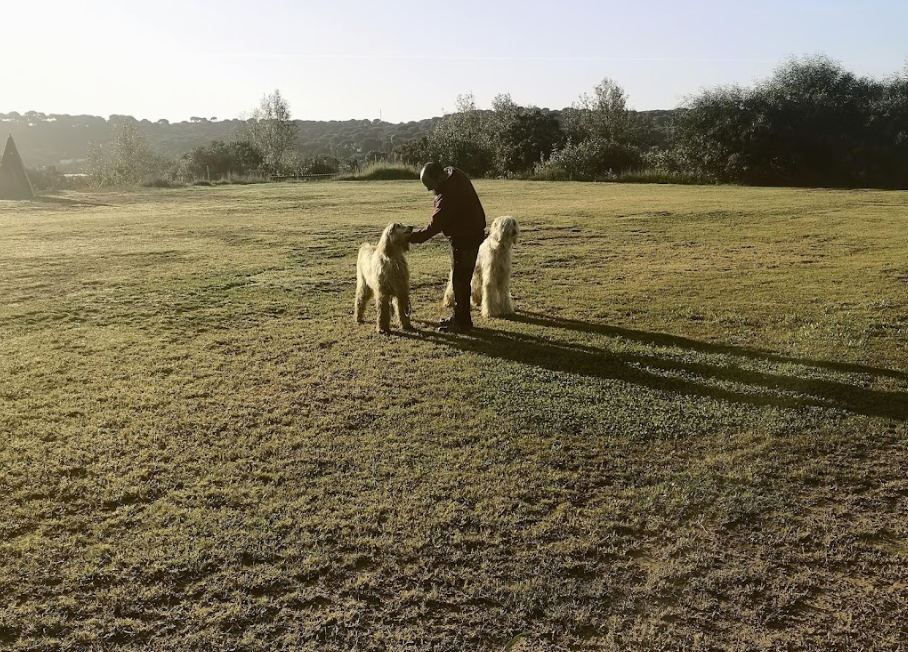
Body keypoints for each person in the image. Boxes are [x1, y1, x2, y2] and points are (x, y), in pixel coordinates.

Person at [409, 162, 486, 333]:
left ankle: (462, 322)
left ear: (439, 177)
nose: (430, 190)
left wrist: (407, 238)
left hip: (465, 238)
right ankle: (461, 317)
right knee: (461, 279)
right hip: (473, 233)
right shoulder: (455, 173)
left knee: (460, 281)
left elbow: (431, 229)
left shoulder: (448, 196)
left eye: (431, 186)